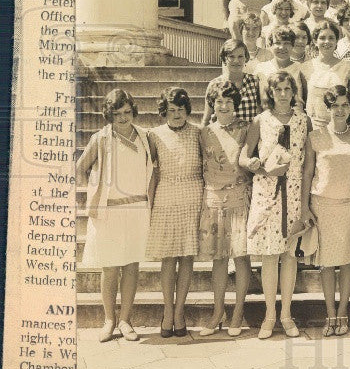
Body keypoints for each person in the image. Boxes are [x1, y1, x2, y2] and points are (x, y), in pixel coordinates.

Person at [78, 89, 155, 342]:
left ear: (133, 111)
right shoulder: (100, 138)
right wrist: (93, 195)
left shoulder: (145, 137)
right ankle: (109, 320)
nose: (123, 118)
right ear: (108, 114)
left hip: (137, 209)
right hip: (109, 212)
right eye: (117, 113)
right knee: (110, 268)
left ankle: (126, 320)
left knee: (132, 265)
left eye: (127, 112)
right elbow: (80, 169)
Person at [240, 71, 311, 339]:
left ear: (294, 92)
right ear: (270, 93)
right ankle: (270, 315)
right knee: (269, 257)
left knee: (290, 256)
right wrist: (252, 163)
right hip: (267, 193)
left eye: (287, 89)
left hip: (293, 195)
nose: (283, 94)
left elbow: (308, 165)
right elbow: (243, 157)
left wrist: (304, 205)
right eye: (278, 89)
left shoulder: (304, 121)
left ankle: (287, 314)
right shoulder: (261, 121)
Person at [300, 86, 350, 337]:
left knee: (347, 262)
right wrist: (304, 207)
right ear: (327, 108)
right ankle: (330, 314)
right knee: (326, 264)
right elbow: (307, 173)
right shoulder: (315, 136)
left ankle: (343, 312)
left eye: (345, 105)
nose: (340, 110)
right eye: (335, 105)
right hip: (322, 204)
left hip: (348, 204)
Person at [146, 87, 203, 339]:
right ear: (164, 112)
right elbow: (151, 173)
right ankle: (168, 312)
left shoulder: (198, 133)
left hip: (193, 195)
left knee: (187, 257)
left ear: (187, 110)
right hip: (166, 196)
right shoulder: (154, 135)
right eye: (172, 110)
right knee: (168, 258)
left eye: (181, 110)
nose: (177, 114)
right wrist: (148, 206)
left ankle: (180, 312)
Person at [197, 81, 252, 338]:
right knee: (219, 260)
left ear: (236, 104)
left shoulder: (246, 129)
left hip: (240, 199)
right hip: (213, 201)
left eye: (229, 101)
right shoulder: (205, 132)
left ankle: (238, 312)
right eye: (219, 101)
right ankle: (217, 311)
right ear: (213, 104)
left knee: (241, 258)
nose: (224, 106)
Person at [202, 39, 262, 127]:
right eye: (231, 57)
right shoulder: (215, 84)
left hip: (249, 138)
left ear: (246, 58)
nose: (236, 61)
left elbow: (261, 115)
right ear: (224, 59)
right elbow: (206, 120)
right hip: (222, 137)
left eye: (240, 56)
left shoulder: (254, 82)